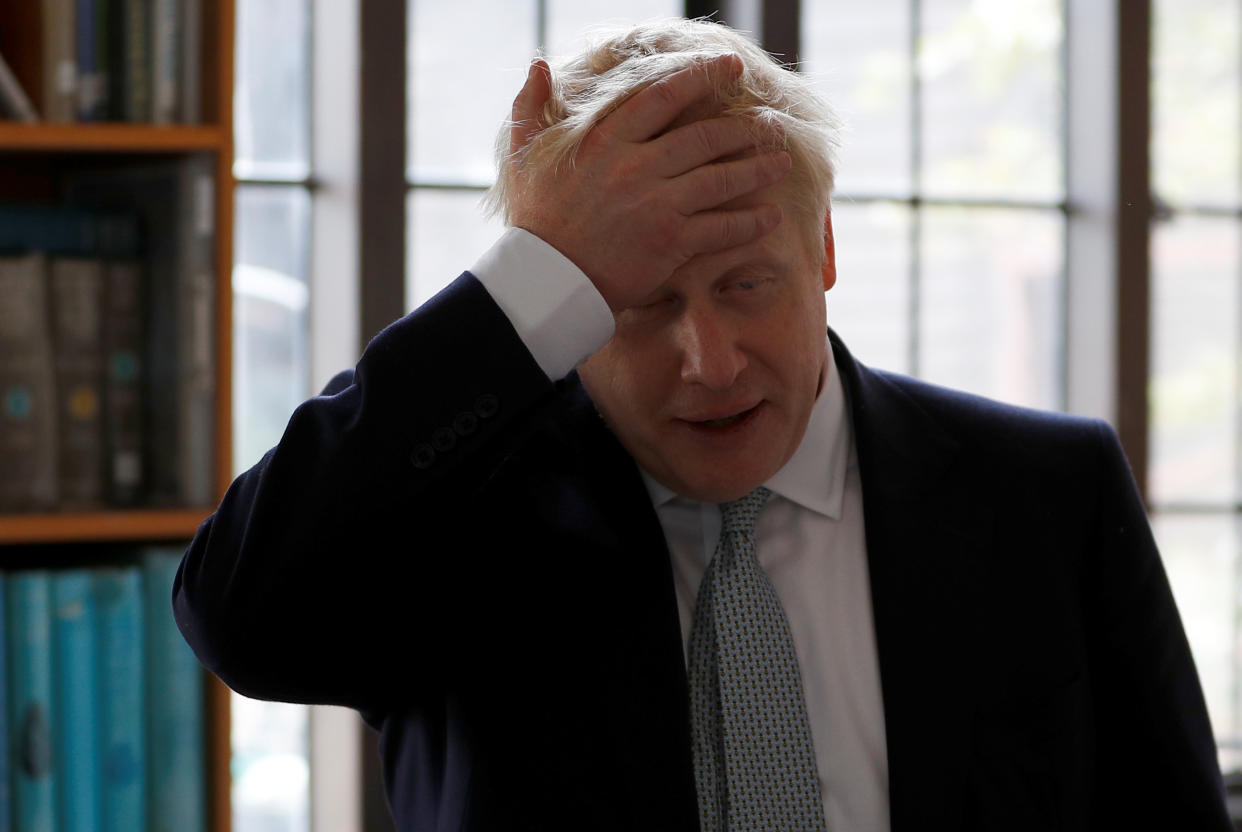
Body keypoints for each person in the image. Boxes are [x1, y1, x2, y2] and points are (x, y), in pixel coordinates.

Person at [174, 18, 1232, 832]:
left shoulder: (1049, 495)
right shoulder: (459, 520)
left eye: (746, 283)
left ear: (821, 250)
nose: (710, 362)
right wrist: (529, 278)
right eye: (637, 305)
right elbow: (241, 617)